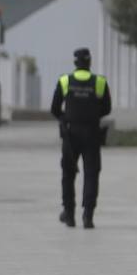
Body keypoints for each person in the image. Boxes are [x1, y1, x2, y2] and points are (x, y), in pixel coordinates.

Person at [51, 47, 111, 229]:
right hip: (92, 133)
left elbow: (54, 109)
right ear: (89, 62)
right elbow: (107, 109)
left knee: (68, 174)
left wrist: (66, 118)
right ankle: (88, 216)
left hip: (71, 134)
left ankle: (69, 214)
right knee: (91, 173)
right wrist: (92, 116)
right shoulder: (100, 82)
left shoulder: (64, 81)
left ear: (75, 63)